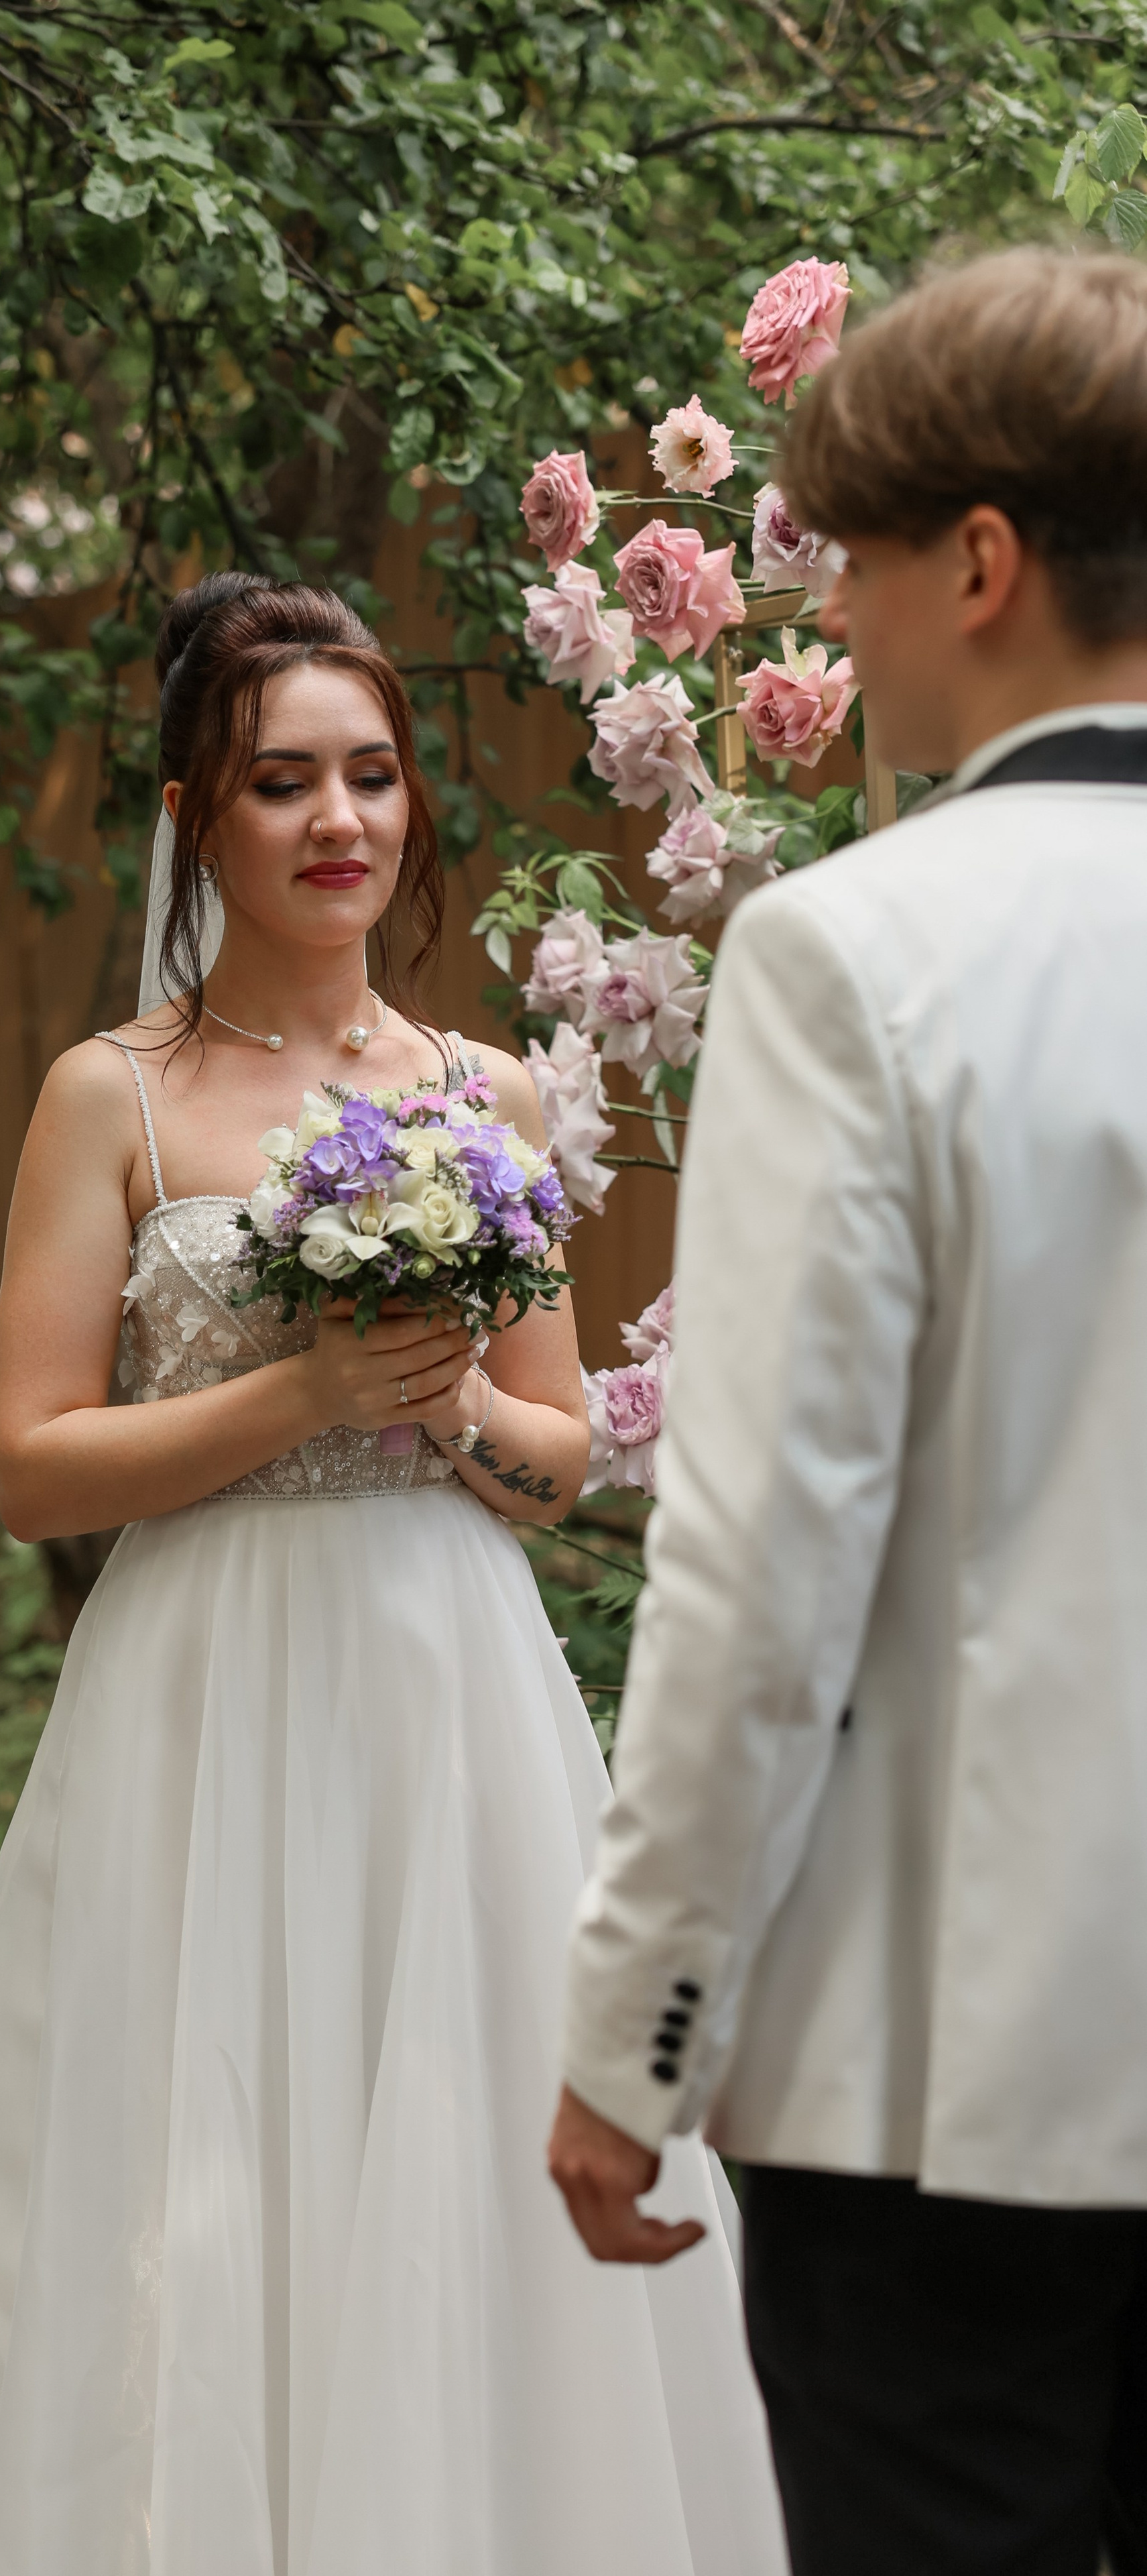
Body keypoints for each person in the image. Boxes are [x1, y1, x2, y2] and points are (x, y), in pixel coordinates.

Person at [0, 574, 787, 2573]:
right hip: (199, 1683)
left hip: (451, 1692)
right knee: (189, 2157)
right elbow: (32, 1461)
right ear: (198, 814)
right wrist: (305, 1390)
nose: (339, 818)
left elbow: (553, 1448)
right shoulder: (119, 1094)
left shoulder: (486, 1091)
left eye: (371, 775)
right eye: (283, 782)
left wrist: (446, 1417)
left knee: (449, 2133)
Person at [547, 245, 1147, 2576]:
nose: (845, 632)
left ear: (980, 563)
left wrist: (637, 2032)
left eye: (859, 568)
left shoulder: (856, 952)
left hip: (943, 2075)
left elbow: (761, 1568)